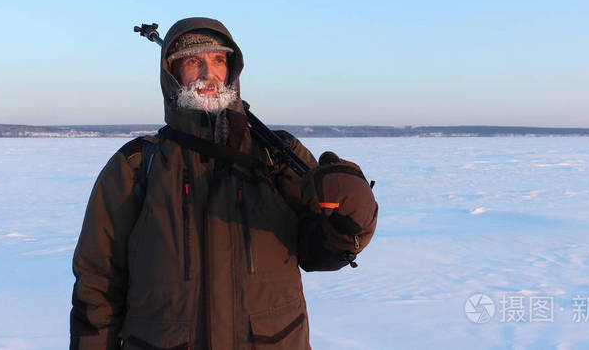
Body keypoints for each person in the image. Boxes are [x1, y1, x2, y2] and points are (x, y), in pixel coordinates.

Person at [70, 17, 378, 349]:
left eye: (219, 60)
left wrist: (350, 219)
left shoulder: (275, 155)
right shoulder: (136, 166)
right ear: (171, 75)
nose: (209, 73)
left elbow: (320, 252)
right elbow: (97, 287)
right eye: (193, 61)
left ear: (232, 70)